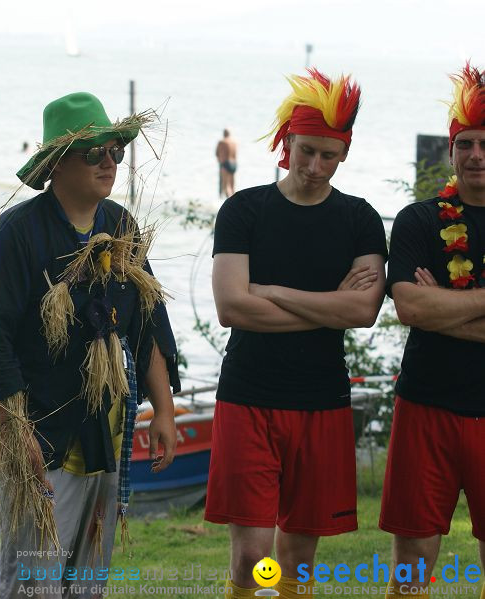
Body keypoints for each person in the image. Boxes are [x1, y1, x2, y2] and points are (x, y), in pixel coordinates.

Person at [0, 91, 180, 599]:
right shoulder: (13, 236)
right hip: (36, 433)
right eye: (93, 153)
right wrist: (16, 432)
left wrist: (165, 413)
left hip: (105, 430)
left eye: (114, 151)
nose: (108, 162)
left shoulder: (121, 227)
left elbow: (148, 323)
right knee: (29, 579)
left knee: (88, 577)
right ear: (55, 164)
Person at [207, 69, 388, 599]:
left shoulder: (359, 219)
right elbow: (230, 306)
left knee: (300, 558)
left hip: (321, 399)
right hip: (249, 394)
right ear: (286, 142)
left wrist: (271, 291)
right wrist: (327, 306)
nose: (314, 166)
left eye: (328, 155)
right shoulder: (244, 210)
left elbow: (363, 311)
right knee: (251, 554)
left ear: (343, 155)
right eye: (306, 150)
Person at [380, 63, 485, 599]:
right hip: (426, 406)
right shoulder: (420, 221)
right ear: (451, 151)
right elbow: (410, 307)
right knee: (411, 567)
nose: (476, 155)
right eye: (464, 143)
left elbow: (430, 307)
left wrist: (449, 306)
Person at [216, 128, 238, 198]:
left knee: (226, 186)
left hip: (225, 163)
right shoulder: (234, 142)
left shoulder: (222, 142)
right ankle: (235, 202)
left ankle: (227, 204)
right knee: (232, 187)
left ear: (224, 133)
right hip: (234, 164)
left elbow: (216, 153)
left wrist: (220, 162)